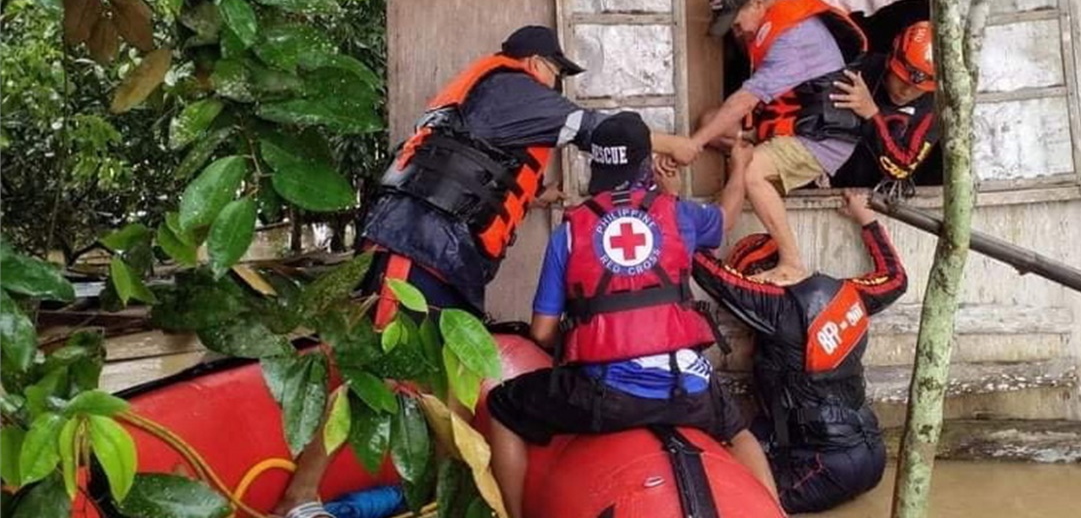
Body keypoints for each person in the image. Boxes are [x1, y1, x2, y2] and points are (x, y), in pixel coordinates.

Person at [273, 27, 681, 518]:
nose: (556, 85)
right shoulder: (512, 88)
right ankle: (299, 499)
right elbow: (604, 131)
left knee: (454, 384)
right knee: (372, 369)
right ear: (534, 62)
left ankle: (445, 498)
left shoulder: (489, 97)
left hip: (442, 254)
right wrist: (684, 143)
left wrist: (539, 196)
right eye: (556, 72)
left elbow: (475, 175)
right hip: (417, 246)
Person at [487, 112, 779, 518]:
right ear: (646, 163)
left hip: (607, 399)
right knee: (741, 433)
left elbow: (541, 333)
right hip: (688, 391)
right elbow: (726, 218)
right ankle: (776, 512)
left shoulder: (570, 230)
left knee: (503, 407)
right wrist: (739, 167)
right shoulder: (677, 213)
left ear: (597, 166)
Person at [689, 188, 908, 514]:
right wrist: (867, 218)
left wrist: (670, 209)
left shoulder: (775, 307)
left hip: (822, 468)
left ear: (762, 279)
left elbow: (710, 272)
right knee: (750, 437)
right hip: (873, 455)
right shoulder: (847, 294)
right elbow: (895, 278)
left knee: (725, 501)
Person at [671, 0, 870, 286]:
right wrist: (703, 134)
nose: (739, 33)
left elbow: (744, 101)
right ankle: (753, 159)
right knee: (711, 122)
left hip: (823, 139)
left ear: (756, 4)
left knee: (750, 170)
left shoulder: (791, 38)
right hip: (794, 123)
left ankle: (792, 263)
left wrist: (692, 144)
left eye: (736, 24)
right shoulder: (775, 5)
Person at [830, 21, 939, 189]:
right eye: (901, 79)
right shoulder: (861, 71)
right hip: (831, 181)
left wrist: (872, 115)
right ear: (890, 60)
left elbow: (901, 168)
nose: (906, 91)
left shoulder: (933, 108)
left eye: (918, 88)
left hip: (879, 195)